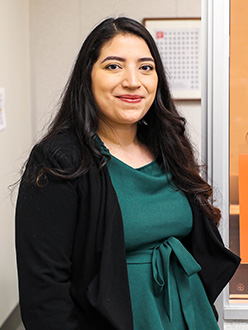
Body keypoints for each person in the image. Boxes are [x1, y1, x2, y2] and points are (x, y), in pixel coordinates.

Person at [15, 17, 240, 330]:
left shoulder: (169, 149)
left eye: (146, 67)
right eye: (113, 66)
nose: (133, 81)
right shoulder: (59, 160)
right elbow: (44, 292)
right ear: (87, 77)